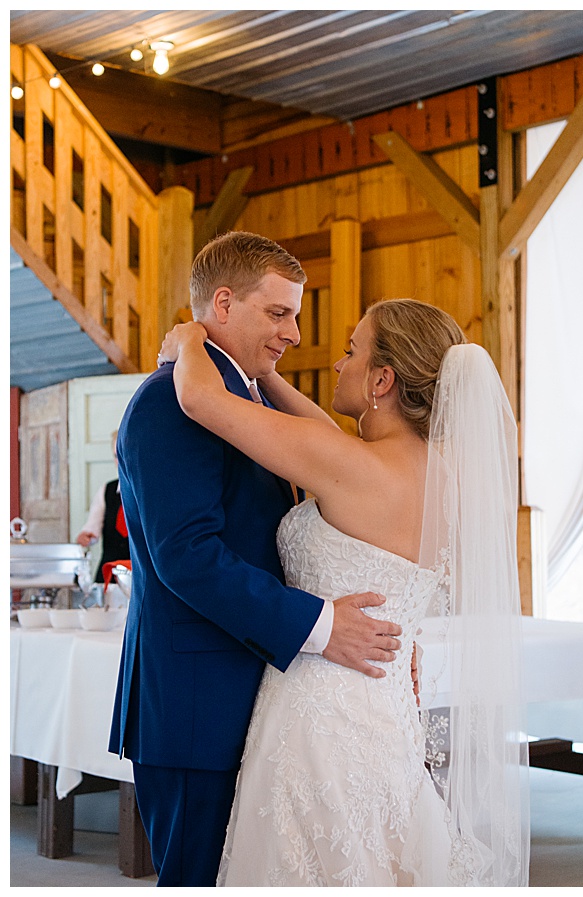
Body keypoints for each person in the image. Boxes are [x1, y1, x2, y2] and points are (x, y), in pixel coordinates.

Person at [109, 232, 408, 886]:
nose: (295, 334)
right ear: (223, 303)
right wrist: (323, 626)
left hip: (260, 698)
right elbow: (187, 556)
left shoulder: (251, 395)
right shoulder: (171, 401)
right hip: (197, 705)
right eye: (278, 313)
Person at [75, 431, 130, 581]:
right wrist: (85, 536)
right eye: (116, 456)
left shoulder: (151, 493)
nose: (121, 461)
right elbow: (92, 529)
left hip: (139, 576)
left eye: (125, 454)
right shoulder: (107, 491)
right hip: (108, 576)